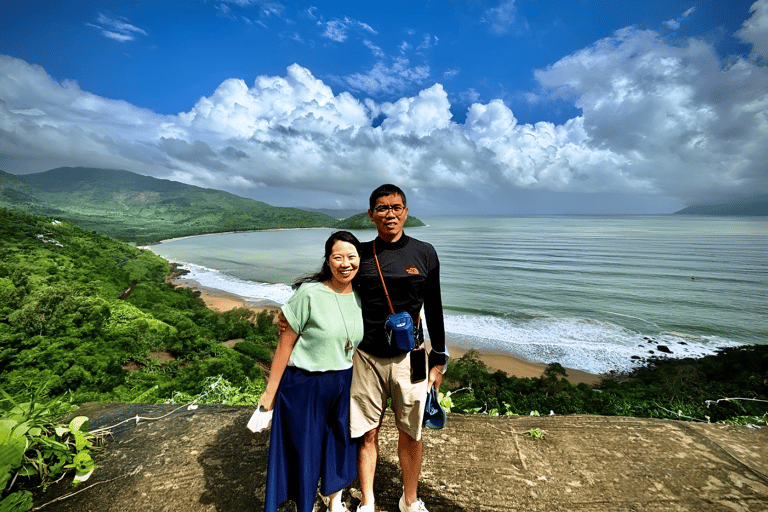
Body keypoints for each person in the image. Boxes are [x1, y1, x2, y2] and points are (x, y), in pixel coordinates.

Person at [350, 184, 448, 512]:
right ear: (371, 214)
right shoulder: (360, 255)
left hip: (413, 358)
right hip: (367, 357)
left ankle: (410, 499)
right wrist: (294, 313)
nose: (389, 214)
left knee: (412, 432)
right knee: (367, 432)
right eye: (382, 208)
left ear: (406, 212)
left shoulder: (425, 252)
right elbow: (330, 287)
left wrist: (439, 359)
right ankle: (368, 501)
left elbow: (434, 307)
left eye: (396, 207)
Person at [260, 231, 364, 512]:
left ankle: (335, 501)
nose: (345, 263)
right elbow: (285, 345)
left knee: (339, 446)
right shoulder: (309, 293)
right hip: (305, 384)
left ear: (359, 260)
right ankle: (304, 506)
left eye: (351, 257)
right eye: (338, 257)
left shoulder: (362, 295)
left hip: (344, 382)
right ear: (328, 261)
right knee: (305, 453)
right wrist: (269, 395)